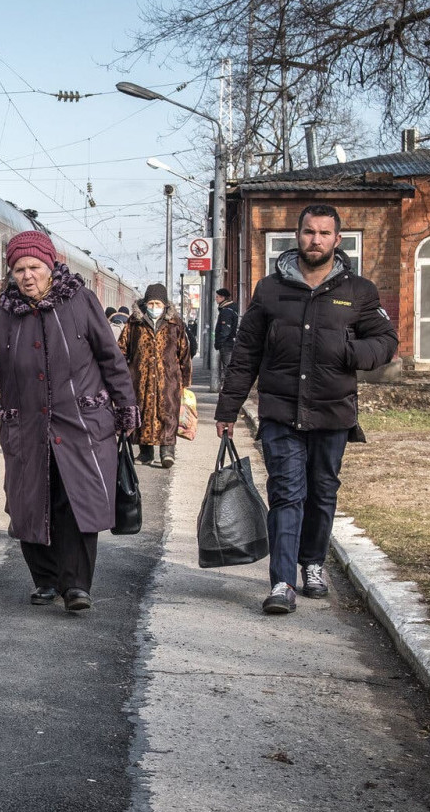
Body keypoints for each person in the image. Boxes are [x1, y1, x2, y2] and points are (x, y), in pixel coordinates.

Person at [215, 204, 397, 615]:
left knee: (322, 493)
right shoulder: (270, 289)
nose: (315, 240)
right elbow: (246, 353)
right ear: (298, 235)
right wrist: (228, 408)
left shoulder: (359, 291)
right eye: (308, 232)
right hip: (281, 410)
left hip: (333, 412)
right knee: (286, 493)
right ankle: (281, 581)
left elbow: (386, 341)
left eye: (324, 233)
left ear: (337, 239)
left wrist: (350, 351)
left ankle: (312, 563)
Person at [0, 229, 138, 612]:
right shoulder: (3, 316)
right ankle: (46, 580)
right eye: (19, 268)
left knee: (76, 502)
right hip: (26, 425)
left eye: (34, 266)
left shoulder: (82, 303)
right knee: (31, 501)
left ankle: (76, 586)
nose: (27, 275)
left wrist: (125, 407)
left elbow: (111, 360)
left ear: (50, 267)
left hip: (81, 423)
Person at [119, 282, 193, 468]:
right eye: (151, 303)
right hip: (140, 378)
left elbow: (184, 352)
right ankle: (145, 453)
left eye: (158, 304)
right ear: (145, 304)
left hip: (168, 379)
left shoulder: (175, 323)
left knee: (167, 413)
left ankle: (167, 452)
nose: (154, 308)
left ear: (165, 305)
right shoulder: (134, 323)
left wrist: (185, 381)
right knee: (143, 412)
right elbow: (121, 349)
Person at [213, 286, 239, 387]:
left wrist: (219, 343)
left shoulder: (226, 311)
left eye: (217, 297)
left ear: (223, 298)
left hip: (227, 344)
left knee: (227, 367)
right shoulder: (231, 309)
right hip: (230, 342)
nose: (216, 299)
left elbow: (225, 330)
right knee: (228, 367)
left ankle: (229, 388)